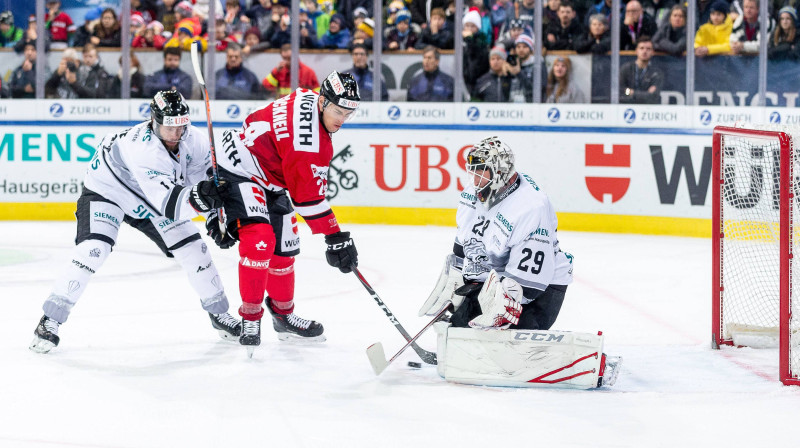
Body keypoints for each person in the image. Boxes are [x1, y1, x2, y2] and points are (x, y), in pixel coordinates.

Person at [29, 90, 242, 354]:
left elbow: (202, 181)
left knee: (194, 250)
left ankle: (219, 314)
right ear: (154, 121)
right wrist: (206, 200)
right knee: (93, 250)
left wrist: (215, 219)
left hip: (152, 197)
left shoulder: (195, 140)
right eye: (169, 128)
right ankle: (50, 319)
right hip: (109, 191)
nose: (176, 134)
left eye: (181, 126)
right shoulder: (142, 148)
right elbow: (172, 205)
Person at [193, 71, 362, 350]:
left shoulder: (307, 96)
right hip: (239, 169)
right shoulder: (309, 144)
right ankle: (250, 317)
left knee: (285, 249)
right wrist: (335, 236)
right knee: (260, 241)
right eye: (338, 111)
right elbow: (307, 200)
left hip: (268, 172)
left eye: (349, 113)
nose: (342, 120)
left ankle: (283, 316)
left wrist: (333, 235)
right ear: (322, 101)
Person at [418, 136, 573, 332]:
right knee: (461, 331)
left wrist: (500, 304)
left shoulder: (531, 207)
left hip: (540, 289)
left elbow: (529, 285)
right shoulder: (474, 192)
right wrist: (461, 277)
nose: (474, 181)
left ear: (500, 173)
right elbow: (464, 244)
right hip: (495, 280)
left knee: (502, 344)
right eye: (472, 172)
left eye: (480, 173)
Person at [620, 36, 663, 104]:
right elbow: (621, 91)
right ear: (636, 51)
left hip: (648, 109)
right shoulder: (626, 68)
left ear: (652, 52)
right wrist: (645, 94)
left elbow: (653, 95)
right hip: (627, 107)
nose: (645, 51)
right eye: (641, 48)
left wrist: (632, 92)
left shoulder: (656, 72)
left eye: (648, 49)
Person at [461, 8, 490, 96]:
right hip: (464, 77)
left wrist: (469, 39)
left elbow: (474, 53)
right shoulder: (460, 39)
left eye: (472, 26)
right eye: (467, 25)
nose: (469, 29)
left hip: (478, 76)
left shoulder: (481, 39)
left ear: (477, 28)